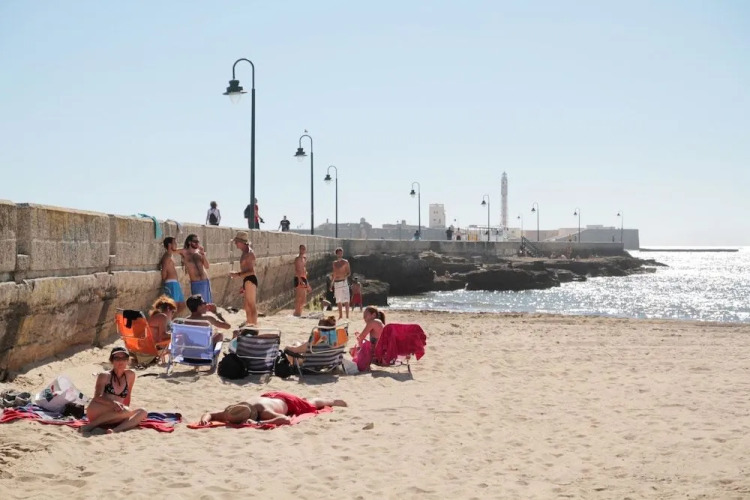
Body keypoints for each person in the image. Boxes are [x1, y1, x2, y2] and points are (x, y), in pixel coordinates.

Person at [79, 347, 147, 434]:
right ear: (112, 361)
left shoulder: (130, 375)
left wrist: (125, 412)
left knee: (143, 412)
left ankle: (115, 430)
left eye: (124, 358)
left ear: (127, 360)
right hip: (98, 409)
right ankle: (91, 425)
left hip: (117, 412)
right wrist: (114, 404)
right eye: (117, 358)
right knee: (126, 411)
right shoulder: (105, 375)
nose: (120, 361)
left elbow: (128, 395)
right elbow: (97, 397)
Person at [198, 393, 347, 426]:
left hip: (287, 401)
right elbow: (209, 413)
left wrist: (259, 423)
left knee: (310, 404)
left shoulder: (263, 412)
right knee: (306, 402)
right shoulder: (234, 411)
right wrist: (204, 420)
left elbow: (286, 419)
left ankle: (332, 401)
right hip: (270, 396)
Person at [229, 231, 258, 326]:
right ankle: (250, 323)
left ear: (242, 242)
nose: (235, 244)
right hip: (247, 280)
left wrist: (237, 274)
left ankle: (253, 325)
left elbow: (252, 271)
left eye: (236, 242)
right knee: (247, 305)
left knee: (251, 304)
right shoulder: (245, 253)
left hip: (250, 279)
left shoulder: (249, 254)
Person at [181, 234, 212, 303]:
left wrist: (203, 254)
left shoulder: (199, 252)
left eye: (198, 242)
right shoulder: (184, 252)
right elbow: (172, 251)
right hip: (196, 283)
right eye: (195, 241)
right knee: (199, 304)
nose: (197, 243)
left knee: (207, 303)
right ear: (189, 242)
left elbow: (207, 266)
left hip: (205, 281)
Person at [160, 237, 186, 313]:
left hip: (175, 283)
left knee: (182, 305)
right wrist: (165, 283)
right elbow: (164, 271)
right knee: (173, 306)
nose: (176, 244)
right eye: (174, 243)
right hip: (171, 283)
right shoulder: (167, 256)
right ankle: (168, 319)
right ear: (169, 245)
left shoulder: (171, 255)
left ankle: (171, 318)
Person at [330, 247, 351, 320]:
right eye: (339, 253)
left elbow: (349, 272)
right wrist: (331, 284)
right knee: (338, 300)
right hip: (337, 282)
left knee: (346, 299)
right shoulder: (334, 263)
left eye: (341, 253)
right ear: (336, 254)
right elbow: (334, 274)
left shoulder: (345, 262)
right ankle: (340, 315)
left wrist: (345, 276)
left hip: (343, 282)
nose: (340, 254)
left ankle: (347, 315)